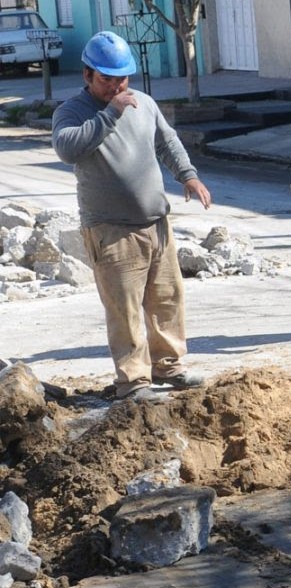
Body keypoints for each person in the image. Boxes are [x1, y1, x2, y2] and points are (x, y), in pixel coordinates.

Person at [51, 31, 211, 401]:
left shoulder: (143, 103)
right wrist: (110, 113)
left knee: (167, 299)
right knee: (124, 310)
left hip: (156, 223)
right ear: (87, 75)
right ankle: (133, 381)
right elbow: (67, 148)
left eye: (122, 78)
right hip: (111, 229)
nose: (117, 86)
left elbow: (166, 141)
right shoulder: (72, 112)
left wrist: (188, 175)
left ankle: (168, 366)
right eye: (107, 79)